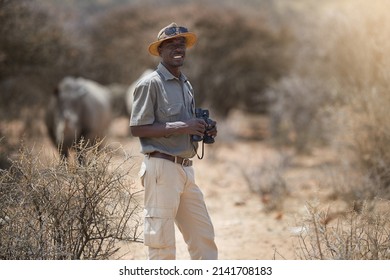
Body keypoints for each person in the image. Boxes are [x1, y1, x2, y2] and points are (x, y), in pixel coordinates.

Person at [130, 22, 218, 260]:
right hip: (161, 169)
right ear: (160, 51)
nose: (178, 48)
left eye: (181, 44)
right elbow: (137, 127)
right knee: (162, 246)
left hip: (187, 171)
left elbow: (186, 123)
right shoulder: (150, 84)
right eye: (171, 45)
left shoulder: (185, 84)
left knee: (203, 239)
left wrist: (203, 128)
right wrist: (184, 125)